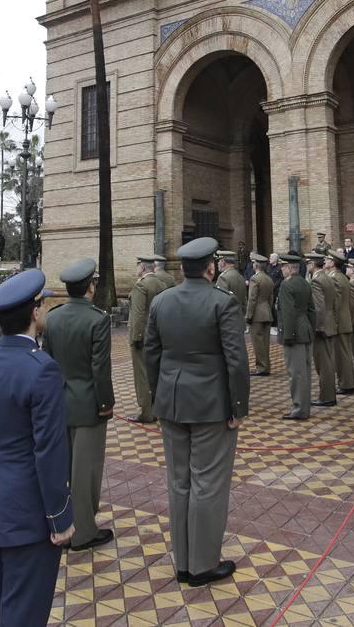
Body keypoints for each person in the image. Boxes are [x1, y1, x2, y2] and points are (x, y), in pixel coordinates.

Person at [0, 269, 73, 626]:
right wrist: (60, 517)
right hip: (27, 509)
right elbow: (49, 450)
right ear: (35, 313)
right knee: (23, 610)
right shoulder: (42, 369)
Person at [146, 236, 250, 586]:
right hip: (211, 405)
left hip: (172, 403)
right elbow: (236, 360)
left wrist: (158, 396)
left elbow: (151, 353)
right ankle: (202, 565)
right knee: (207, 483)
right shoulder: (223, 302)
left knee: (179, 482)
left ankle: (183, 561)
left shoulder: (161, 301)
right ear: (211, 267)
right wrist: (238, 406)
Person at [42, 258, 115, 551]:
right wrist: (106, 403)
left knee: (64, 469)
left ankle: (63, 523)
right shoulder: (98, 319)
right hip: (88, 406)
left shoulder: (53, 317)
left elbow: (46, 364)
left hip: (59, 402)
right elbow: (100, 369)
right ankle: (83, 532)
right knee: (86, 472)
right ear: (90, 287)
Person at [127, 255, 166, 423]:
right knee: (156, 372)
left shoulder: (141, 286)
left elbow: (138, 314)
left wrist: (136, 337)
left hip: (142, 337)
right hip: (159, 335)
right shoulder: (161, 284)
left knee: (142, 375)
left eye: (137, 266)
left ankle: (146, 412)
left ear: (142, 268)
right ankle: (158, 407)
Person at [275, 254, 314, 420]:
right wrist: (310, 328)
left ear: (290, 268)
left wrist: (287, 335)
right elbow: (312, 310)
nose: (281, 270)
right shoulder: (305, 283)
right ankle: (305, 407)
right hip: (305, 329)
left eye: (283, 267)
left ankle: (299, 408)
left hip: (294, 333)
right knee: (305, 372)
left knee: (296, 373)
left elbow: (288, 313)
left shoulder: (287, 285)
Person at [305, 253, 337, 407]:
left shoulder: (316, 280)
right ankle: (329, 395)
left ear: (312, 264)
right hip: (330, 323)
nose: (306, 266)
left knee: (323, 365)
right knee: (328, 362)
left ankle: (326, 396)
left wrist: (317, 327)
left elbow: (318, 308)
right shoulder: (327, 278)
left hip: (322, 326)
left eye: (307, 263)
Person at [325, 252, 354, 395]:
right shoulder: (342, 277)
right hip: (345, 319)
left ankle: (346, 384)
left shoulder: (334, 278)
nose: (325, 261)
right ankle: (346, 382)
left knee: (341, 355)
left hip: (339, 322)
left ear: (332, 263)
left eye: (327, 260)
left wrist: (334, 323)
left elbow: (335, 303)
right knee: (344, 353)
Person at [246, 252, 275, 376]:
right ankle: (266, 366)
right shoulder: (268, 278)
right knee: (265, 342)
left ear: (256, 266)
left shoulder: (254, 278)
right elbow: (271, 298)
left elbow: (252, 299)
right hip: (267, 312)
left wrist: (248, 315)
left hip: (257, 313)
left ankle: (261, 367)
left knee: (258, 342)